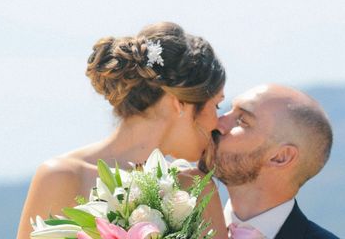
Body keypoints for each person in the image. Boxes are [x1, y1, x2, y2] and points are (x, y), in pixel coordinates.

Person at [16, 22, 227, 239]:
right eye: (216, 105)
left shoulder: (196, 190)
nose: (218, 124)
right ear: (179, 103)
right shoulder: (61, 177)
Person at [206, 84, 339, 239]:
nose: (216, 123)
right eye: (227, 109)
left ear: (281, 157)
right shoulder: (184, 225)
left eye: (242, 120)